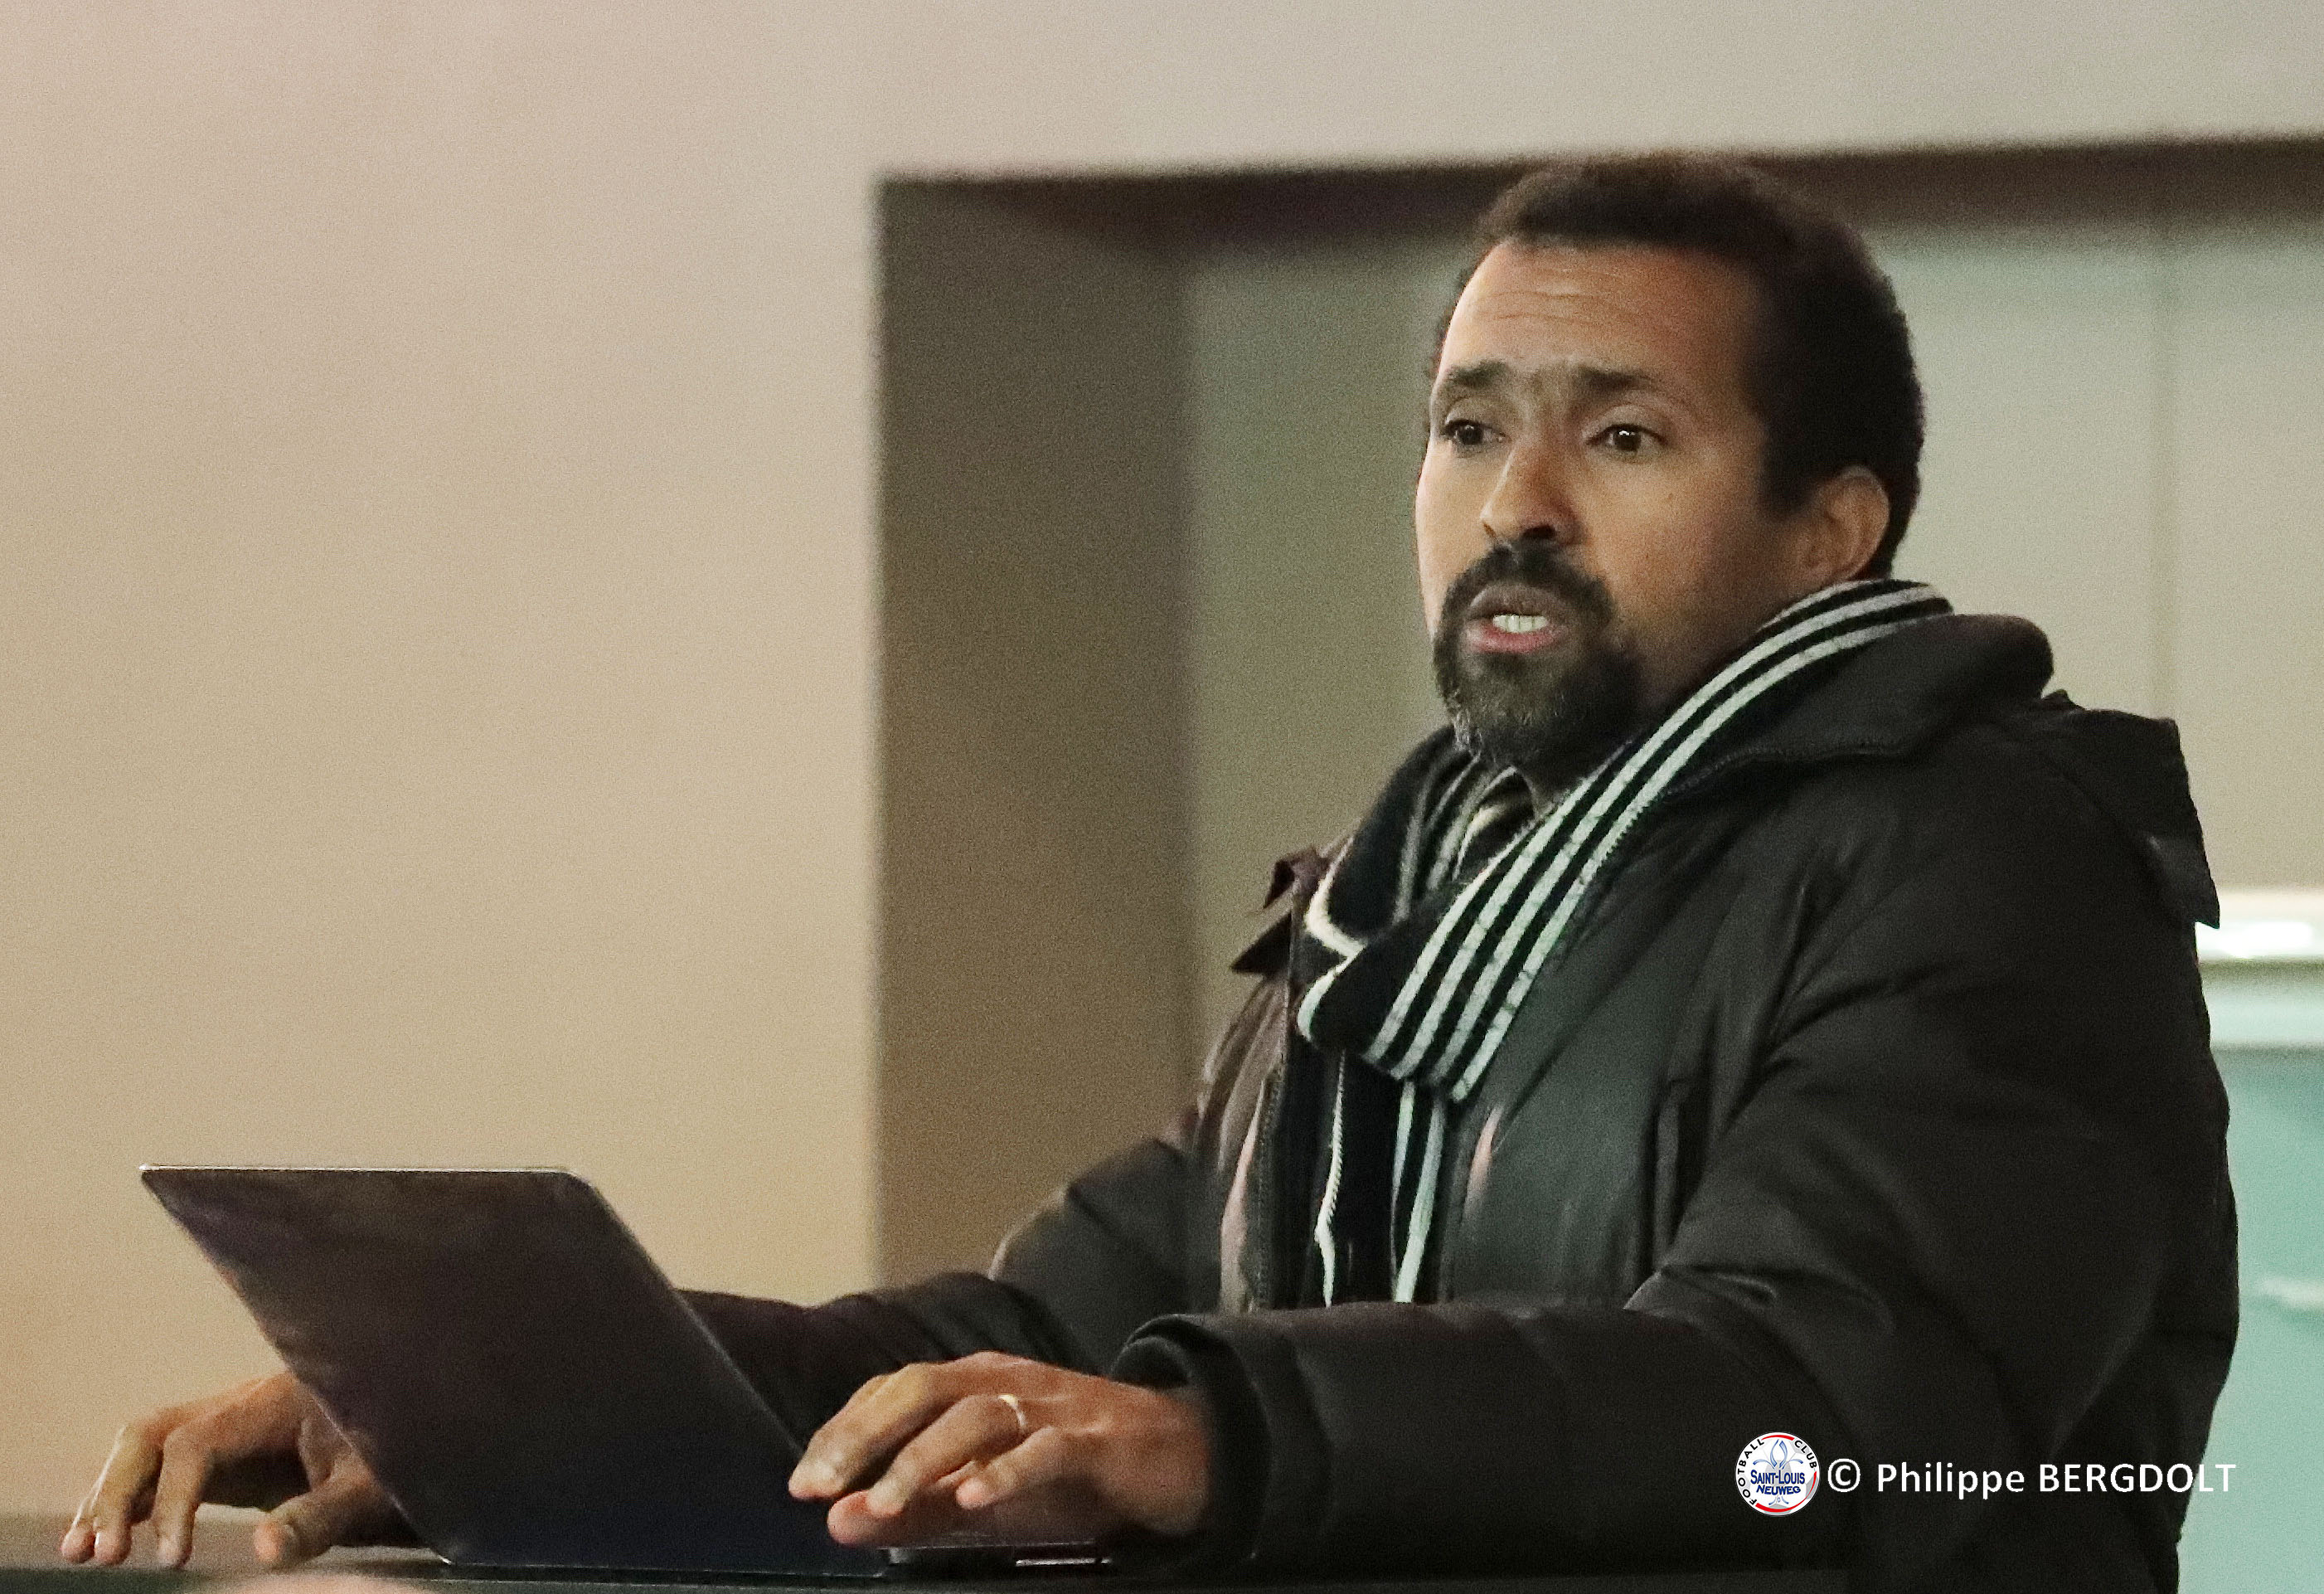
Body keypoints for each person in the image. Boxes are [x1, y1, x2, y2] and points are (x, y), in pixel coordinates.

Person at [61, 156, 2234, 1592]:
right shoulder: (1409, 896)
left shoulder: (1994, 863)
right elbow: (1041, 1339)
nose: (1516, 503)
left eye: (1624, 434)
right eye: (1469, 426)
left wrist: (1219, 1433)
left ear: (1831, 530)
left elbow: (1819, 1422)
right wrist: (507, 1410)